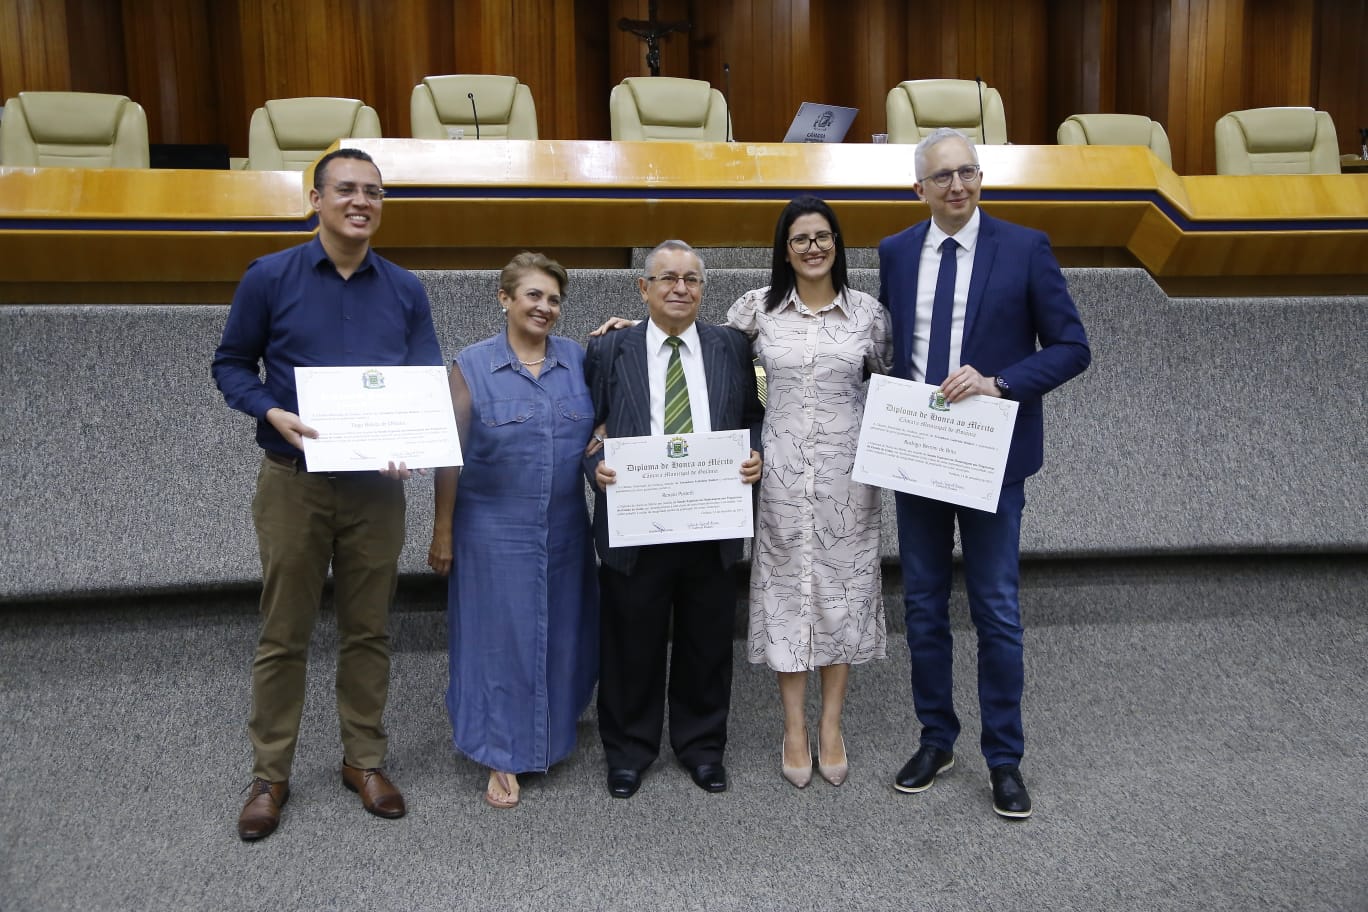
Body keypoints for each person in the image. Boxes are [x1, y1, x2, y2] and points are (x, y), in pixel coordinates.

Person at [213, 148, 442, 840]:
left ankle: (363, 760)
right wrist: (267, 409)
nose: (360, 201)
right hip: (294, 484)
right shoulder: (271, 276)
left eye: (373, 191)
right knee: (283, 633)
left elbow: (425, 382)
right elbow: (230, 363)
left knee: (368, 629)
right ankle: (270, 774)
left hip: (377, 491)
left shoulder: (405, 288)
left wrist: (414, 440)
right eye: (345, 189)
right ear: (315, 199)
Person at [878, 128, 1091, 819]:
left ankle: (1005, 758)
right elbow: (889, 347)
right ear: (920, 189)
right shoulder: (896, 253)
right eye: (942, 177)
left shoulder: (1024, 247)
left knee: (996, 610)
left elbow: (1071, 347)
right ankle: (936, 738)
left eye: (968, 171)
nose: (958, 185)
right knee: (921, 605)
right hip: (918, 454)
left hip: (991, 459)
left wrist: (1001, 382)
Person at [723, 197, 892, 788]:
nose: (814, 247)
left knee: (842, 596)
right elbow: (705, 359)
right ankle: (793, 727)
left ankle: (831, 726)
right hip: (783, 481)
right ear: (784, 249)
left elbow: (895, 382)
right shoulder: (757, 310)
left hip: (850, 481)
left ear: (838, 244)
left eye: (824, 237)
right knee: (788, 596)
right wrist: (632, 331)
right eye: (801, 239)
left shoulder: (868, 314)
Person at [585, 240, 764, 799]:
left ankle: (702, 747)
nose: (680, 288)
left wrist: (754, 455)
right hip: (636, 522)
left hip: (711, 521)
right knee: (629, 641)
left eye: (690, 279)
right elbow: (582, 425)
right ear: (643, 289)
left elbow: (752, 417)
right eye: (666, 278)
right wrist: (595, 465)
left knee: (706, 640)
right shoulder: (607, 350)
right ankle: (629, 751)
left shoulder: (732, 346)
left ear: (703, 289)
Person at [426, 252, 599, 810]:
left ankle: (552, 733)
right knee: (498, 644)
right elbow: (447, 456)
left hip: (567, 530)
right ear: (505, 299)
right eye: (532, 295)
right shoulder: (471, 366)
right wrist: (443, 531)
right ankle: (501, 750)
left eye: (553, 299)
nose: (544, 307)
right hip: (491, 532)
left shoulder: (577, 359)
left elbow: (597, 433)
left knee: (563, 633)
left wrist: (627, 329)